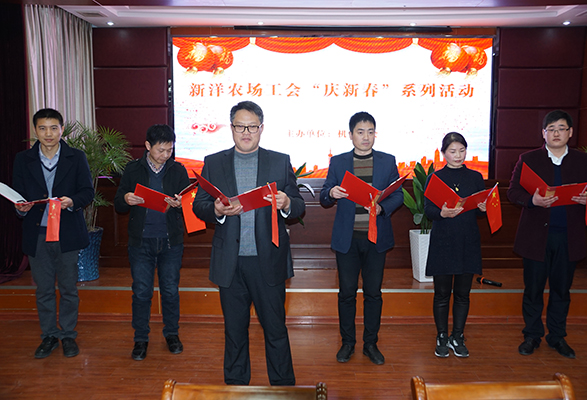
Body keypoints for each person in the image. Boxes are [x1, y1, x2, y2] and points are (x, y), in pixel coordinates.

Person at [193, 101, 304, 385]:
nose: (246, 132)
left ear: (261, 128)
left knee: (275, 330)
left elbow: (299, 205)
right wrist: (216, 210)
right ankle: (236, 387)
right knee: (234, 332)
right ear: (231, 128)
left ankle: (283, 388)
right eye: (240, 126)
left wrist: (287, 203)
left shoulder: (279, 161)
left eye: (252, 127)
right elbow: (199, 206)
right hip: (230, 262)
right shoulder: (214, 162)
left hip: (268, 260)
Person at [507, 110, 587, 359]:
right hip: (536, 237)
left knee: (561, 290)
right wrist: (532, 201)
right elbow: (513, 192)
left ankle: (557, 336)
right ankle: (532, 335)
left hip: (569, 236)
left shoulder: (583, 161)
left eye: (561, 128)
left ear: (570, 132)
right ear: (543, 133)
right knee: (533, 289)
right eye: (551, 129)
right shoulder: (529, 159)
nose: (556, 133)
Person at [320, 111, 404, 365]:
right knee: (346, 293)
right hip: (348, 239)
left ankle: (370, 344)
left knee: (373, 293)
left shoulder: (387, 161)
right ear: (350, 135)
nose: (366, 137)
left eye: (370, 132)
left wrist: (382, 207)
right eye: (360, 132)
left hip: (376, 238)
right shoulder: (339, 162)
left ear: (375, 134)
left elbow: (398, 195)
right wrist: (332, 193)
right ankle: (347, 343)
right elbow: (324, 195)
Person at [12, 108, 94, 359]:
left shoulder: (76, 157)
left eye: (53, 128)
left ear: (61, 129)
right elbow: (18, 195)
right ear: (35, 130)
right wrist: (21, 207)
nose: (48, 133)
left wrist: (73, 201)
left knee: (69, 288)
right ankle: (49, 335)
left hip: (66, 232)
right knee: (44, 289)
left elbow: (87, 192)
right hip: (37, 233)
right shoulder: (23, 159)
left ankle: (68, 335)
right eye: (42, 128)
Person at [114, 125, 190, 361]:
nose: (165, 155)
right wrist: (126, 198)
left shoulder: (178, 170)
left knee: (170, 290)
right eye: (161, 150)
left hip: (170, 241)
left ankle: (172, 334)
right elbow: (119, 203)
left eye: (169, 150)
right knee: (141, 292)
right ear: (148, 146)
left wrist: (181, 203)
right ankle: (140, 339)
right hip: (141, 242)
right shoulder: (133, 169)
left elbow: (190, 204)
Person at [423, 132, 487, 358]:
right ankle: (442, 335)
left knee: (462, 294)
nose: (458, 155)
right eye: (452, 151)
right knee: (441, 293)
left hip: (468, 240)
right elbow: (428, 210)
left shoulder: (476, 177)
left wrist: (483, 209)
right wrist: (442, 213)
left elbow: (479, 211)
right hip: (443, 240)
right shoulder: (435, 178)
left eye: (462, 150)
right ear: (444, 153)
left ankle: (457, 335)